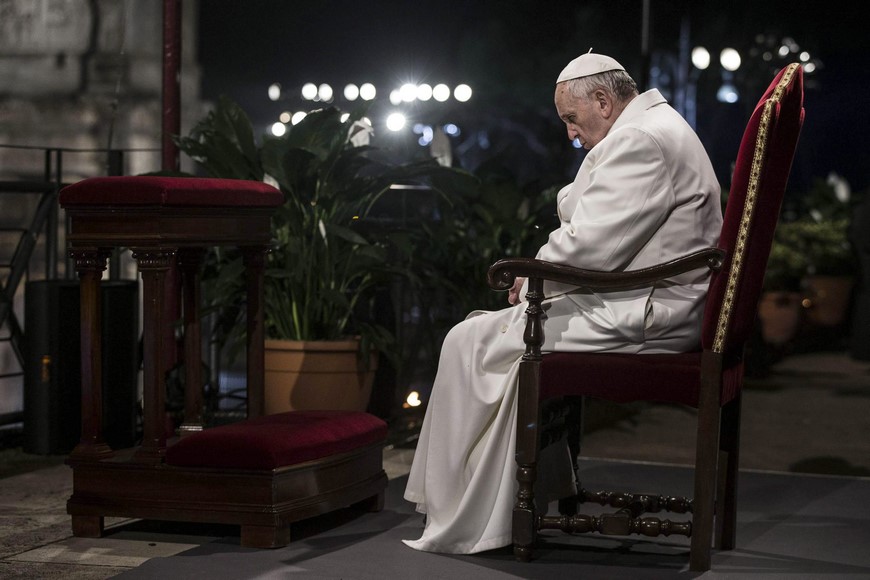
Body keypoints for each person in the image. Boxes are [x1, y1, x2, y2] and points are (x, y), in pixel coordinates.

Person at [402, 52, 723, 554]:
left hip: (651, 309)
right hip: (651, 297)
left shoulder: (641, 139)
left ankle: (477, 513)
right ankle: (510, 500)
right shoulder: (655, 125)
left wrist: (534, 280)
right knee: (483, 333)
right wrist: (540, 280)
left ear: (603, 100)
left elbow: (592, 247)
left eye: (571, 120)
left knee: (470, 339)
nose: (570, 135)